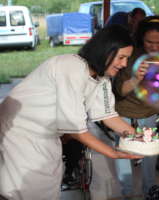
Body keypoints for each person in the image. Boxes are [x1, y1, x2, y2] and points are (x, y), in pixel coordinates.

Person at [0, 25, 142, 200]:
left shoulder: (102, 77)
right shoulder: (71, 67)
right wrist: (112, 152)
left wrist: (142, 139)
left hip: (48, 133)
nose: (124, 64)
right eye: (121, 57)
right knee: (28, 187)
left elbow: (108, 115)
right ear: (105, 51)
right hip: (20, 131)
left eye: (127, 59)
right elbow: (77, 130)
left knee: (50, 179)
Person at [112, 15, 159, 199]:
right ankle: (126, 194)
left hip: (150, 111)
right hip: (124, 112)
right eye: (149, 42)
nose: (154, 46)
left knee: (149, 156)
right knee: (124, 154)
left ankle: (149, 193)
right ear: (141, 38)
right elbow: (120, 90)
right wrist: (137, 78)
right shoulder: (131, 51)